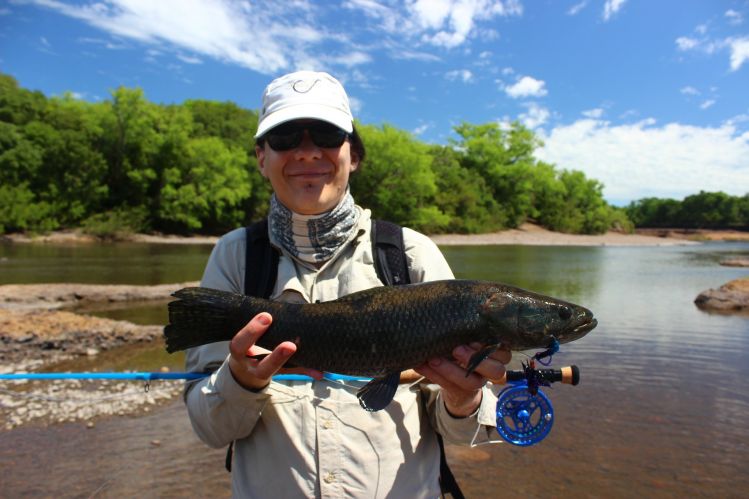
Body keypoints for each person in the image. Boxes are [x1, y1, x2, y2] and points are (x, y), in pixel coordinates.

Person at [184, 70, 510, 498]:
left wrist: (464, 397)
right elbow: (210, 428)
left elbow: (462, 428)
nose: (306, 152)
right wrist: (241, 380)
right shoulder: (235, 256)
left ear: (353, 154)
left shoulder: (410, 253)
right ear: (261, 157)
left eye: (325, 135)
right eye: (284, 138)